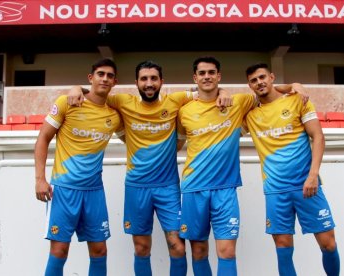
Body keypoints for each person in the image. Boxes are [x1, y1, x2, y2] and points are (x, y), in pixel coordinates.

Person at [67, 60, 232, 276]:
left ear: (161, 81)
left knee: (178, 247)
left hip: (168, 187)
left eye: (154, 78)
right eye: (144, 79)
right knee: (141, 248)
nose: (149, 83)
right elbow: (97, 91)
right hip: (137, 187)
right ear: (136, 82)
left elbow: (206, 88)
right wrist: (76, 88)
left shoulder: (175, 101)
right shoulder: (123, 102)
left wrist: (225, 90)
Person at [176, 56, 307, 276]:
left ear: (219, 76)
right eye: (202, 73)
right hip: (193, 188)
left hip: (226, 189)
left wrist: (294, 86)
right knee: (198, 251)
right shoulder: (184, 111)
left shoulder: (240, 102)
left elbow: (266, 92)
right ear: (195, 78)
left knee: (227, 252)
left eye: (211, 73)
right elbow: (178, 144)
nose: (207, 77)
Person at [243, 63, 340, 276]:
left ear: (271, 77)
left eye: (262, 77)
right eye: (253, 80)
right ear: (249, 85)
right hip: (275, 190)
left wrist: (313, 175)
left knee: (328, 244)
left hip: (307, 185)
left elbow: (318, 137)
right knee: (283, 247)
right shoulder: (249, 115)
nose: (259, 82)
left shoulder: (298, 100)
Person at [34, 58, 124, 276]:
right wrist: (40, 179)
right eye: (100, 74)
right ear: (91, 78)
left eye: (109, 76)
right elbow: (43, 138)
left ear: (114, 82)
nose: (105, 78)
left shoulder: (114, 115)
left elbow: (134, 138)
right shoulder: (68, 102)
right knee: (59, 250)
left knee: (99, 250)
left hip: (94, 192)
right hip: (63, 189)